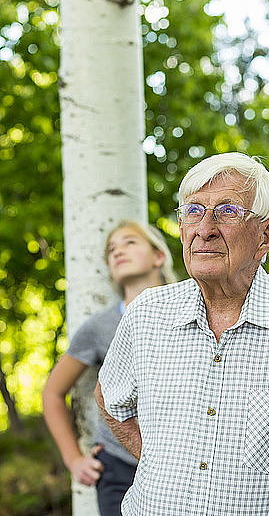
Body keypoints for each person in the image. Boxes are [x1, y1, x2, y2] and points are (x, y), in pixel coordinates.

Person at [95, 153, 269, 516]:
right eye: (193, 211)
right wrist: (163, 466)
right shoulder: (147, 313)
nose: (205, 228)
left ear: (266, 235)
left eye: (227, 211)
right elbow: (110, 399)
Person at [42, 220, 176, 516]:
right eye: (112, 249)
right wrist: (74, 460)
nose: (118, 251)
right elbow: (52, 392)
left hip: (182, 465)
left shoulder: (192, 309)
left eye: (130, 242)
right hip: (118, 469)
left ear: (158, 256)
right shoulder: (98, 327)